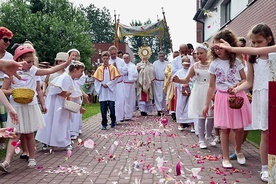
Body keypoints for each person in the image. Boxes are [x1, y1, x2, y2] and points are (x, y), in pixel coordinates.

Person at [0, 45, 71, 172]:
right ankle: (7, 161)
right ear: (19, 60)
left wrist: (66, 63)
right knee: (14, 134)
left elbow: (50, 71)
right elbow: (3, 90)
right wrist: (14, 91)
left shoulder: (33, 71)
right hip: (16, 107)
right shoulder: (11, 71)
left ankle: (32, 157)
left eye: (32, 62)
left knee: (29, 134)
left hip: (30, 106)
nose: (30, 64)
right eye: (28, 62)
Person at [221, 24, 274, 182]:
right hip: (261, 94)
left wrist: (232, 49)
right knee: (266, 132)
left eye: (259, 41)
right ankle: (265, 168)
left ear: (269, 39)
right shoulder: (253, 59)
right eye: (254, 43)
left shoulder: (273, 51)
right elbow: (249, 81)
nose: (256, 46)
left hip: (274, 93)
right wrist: (236, 89)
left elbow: (258, 51)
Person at [202, 29, 252, 169]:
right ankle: (225, 157)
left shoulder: (236, 62)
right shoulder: (214, 64)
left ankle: (238, 150)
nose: (218, 50)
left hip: (237, 97)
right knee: (224, 129)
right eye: (215, 48)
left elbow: (245, 79)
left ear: (228, 46)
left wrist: (238, 85)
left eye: (221, 48)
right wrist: (206, 104)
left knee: (239, 128)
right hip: (222, 98)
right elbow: (211, 86)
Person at [35, 60, 85, 151]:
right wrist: (65, 93)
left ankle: (62, 141)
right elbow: (55, 90)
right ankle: (48, 142)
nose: (82, 74)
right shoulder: (65, 77)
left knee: (61, 122)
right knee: (52, 121)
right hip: (55, 104)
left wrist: (80, 106)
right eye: (81, 71)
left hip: (61, 105)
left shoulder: (71, 79)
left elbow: (75, 94)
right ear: (75, 70)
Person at [173, 44, 216, 148]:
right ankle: (201, 139)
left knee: (211, 117)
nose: (199, 55)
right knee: (201, 116)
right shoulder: (195, 66)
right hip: (199, 91)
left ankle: (209, 136)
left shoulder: (212, 65)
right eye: (197, 54)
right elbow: (187, 79)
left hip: (210, 90)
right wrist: (179, 80)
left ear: (207, 53)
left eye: (201, 53)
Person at [93, 51, 120, 130]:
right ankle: (104, 123)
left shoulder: (112, 68)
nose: (105, 60)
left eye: (106, 58)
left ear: (109, 58)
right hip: (103, 91)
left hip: (110, 90)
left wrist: (108, 84)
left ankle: (113, 120)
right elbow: (96, 80)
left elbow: (116, 79)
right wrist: (101, 84)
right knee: (103, 108)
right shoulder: (99, 69)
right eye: (104, 58)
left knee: (112, 107)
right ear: (102, 59)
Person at [0, 26, 13, 150]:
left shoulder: (9, 56)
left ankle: (3, 139)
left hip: (4, 85)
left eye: (9, 40)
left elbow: (11, 73)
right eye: (5, 40)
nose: (8, 43)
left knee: (3, 113)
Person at [173, 56, 193, 131]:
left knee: (190, 107)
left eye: (188, 62)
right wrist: (182, 85)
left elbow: (193, 80)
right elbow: (175, 82)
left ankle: (192, 125)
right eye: (185, 62)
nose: (187, 64)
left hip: (190, 92)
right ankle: (181, 124)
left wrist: (189, 86)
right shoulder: (178, 72)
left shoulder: (191, 71)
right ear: (182, 63)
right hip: (181, 93)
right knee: (180, 106)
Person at [108, 45, 128, 122]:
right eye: (112, 54)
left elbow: (125, 71)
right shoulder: (108, 61)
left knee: (120, 101)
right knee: (111, 101)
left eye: (114, 54)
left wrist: (117, 68)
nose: (113, 55)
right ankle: (112, 117)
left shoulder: (121, 61)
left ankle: (119, 117)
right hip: (111, 84)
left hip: (119, 84)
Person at [136, 45, 155, 116]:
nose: (145, 58)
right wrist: (138, 70)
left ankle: (148, 110)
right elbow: (136, 73)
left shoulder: (151, 65)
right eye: (143, 56)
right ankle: (142, 110)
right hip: (141, 83)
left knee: (148, 97)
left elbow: (153, 72)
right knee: (141, 97)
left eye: (146, 56)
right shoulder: (138, 65)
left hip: (148, 83)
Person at [122, 53, 138, 121]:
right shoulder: (122, 65)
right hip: (123, 85)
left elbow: (136, 75)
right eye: (124, 58)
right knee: (124, 100)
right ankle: (123, 114)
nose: (126, 59)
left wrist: (128, 73)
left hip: (130, 85)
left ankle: (129, 115)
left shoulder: (133, 66)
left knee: (130, 100)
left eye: (127, 58)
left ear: (130, 58)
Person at [153, 51, 168, 116]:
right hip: (157, 81)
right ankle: (159, 109)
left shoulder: (167, 63)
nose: (161, 57)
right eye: (160, 56)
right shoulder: (155, 63)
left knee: (164, 96)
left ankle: (163, 109)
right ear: (158, 57)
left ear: (164, 56)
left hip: (165, 82)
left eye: (162, 56)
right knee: (157, 96)